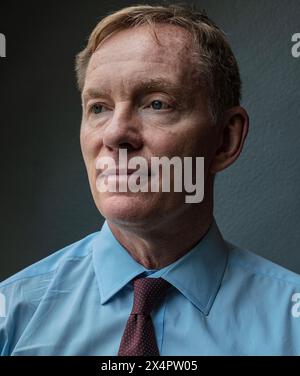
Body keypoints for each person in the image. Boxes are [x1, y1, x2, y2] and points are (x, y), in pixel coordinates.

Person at [0, 4, 299, 356]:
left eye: (157, 104)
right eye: (99, 107)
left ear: (225, 140)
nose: (115, 134)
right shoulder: (11, 318)